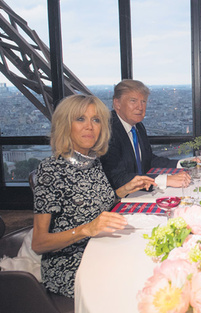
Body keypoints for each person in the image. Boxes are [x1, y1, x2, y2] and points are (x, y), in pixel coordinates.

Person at [32, 95, 156, 298]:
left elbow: (98, 206)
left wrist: (123, 190)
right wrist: (86, 229)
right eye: (80, 119)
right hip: (72, 266)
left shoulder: (93, 161)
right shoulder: (51, 170)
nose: (89, 126)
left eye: (96, 120)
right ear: (65, 124)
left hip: (102, 248)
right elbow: (38, 243)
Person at [100, 79, 191, 191]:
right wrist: (165, 180)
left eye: (143, 102)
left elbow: (148, 160)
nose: (140, 107)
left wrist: (182, 163)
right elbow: (116, 178)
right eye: (133, 101)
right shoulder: (108, 131)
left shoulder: (138, 126)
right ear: (117, 103)